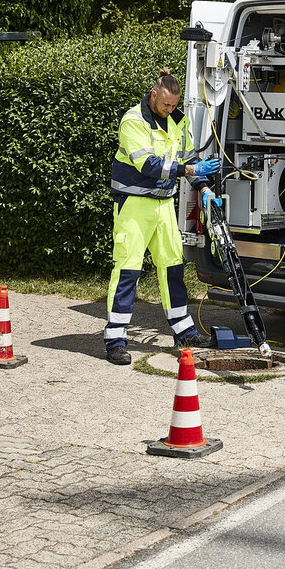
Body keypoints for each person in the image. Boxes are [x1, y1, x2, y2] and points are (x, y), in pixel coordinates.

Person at [104, 69, 221, 365]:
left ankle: (184, 332)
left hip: (163, 205)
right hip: (134, 204)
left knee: (173, 268)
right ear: (154, 95)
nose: (170, 110)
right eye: (166, 105)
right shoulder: (133, 120)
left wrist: (205, 188)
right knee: (127, 270)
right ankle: (115, 340)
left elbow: (189, 159)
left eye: (174, 105)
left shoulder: (176, 121)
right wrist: (189, 171)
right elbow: (148, 164)